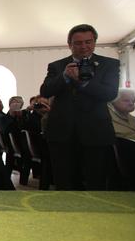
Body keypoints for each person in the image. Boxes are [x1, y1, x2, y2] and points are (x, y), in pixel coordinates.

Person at [40, 24, 119, 190]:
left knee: (96, 181)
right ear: (70, 44)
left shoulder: (109, 64)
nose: (84, 46)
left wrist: (82, 83)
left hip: (96, 131)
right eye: (78, 43)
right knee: (64, 182)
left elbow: (110, 93)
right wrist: (64, 77)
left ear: (94, 42)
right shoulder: (57, 66)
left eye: (88, 42)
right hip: (61, 133)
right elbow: (45, 91)